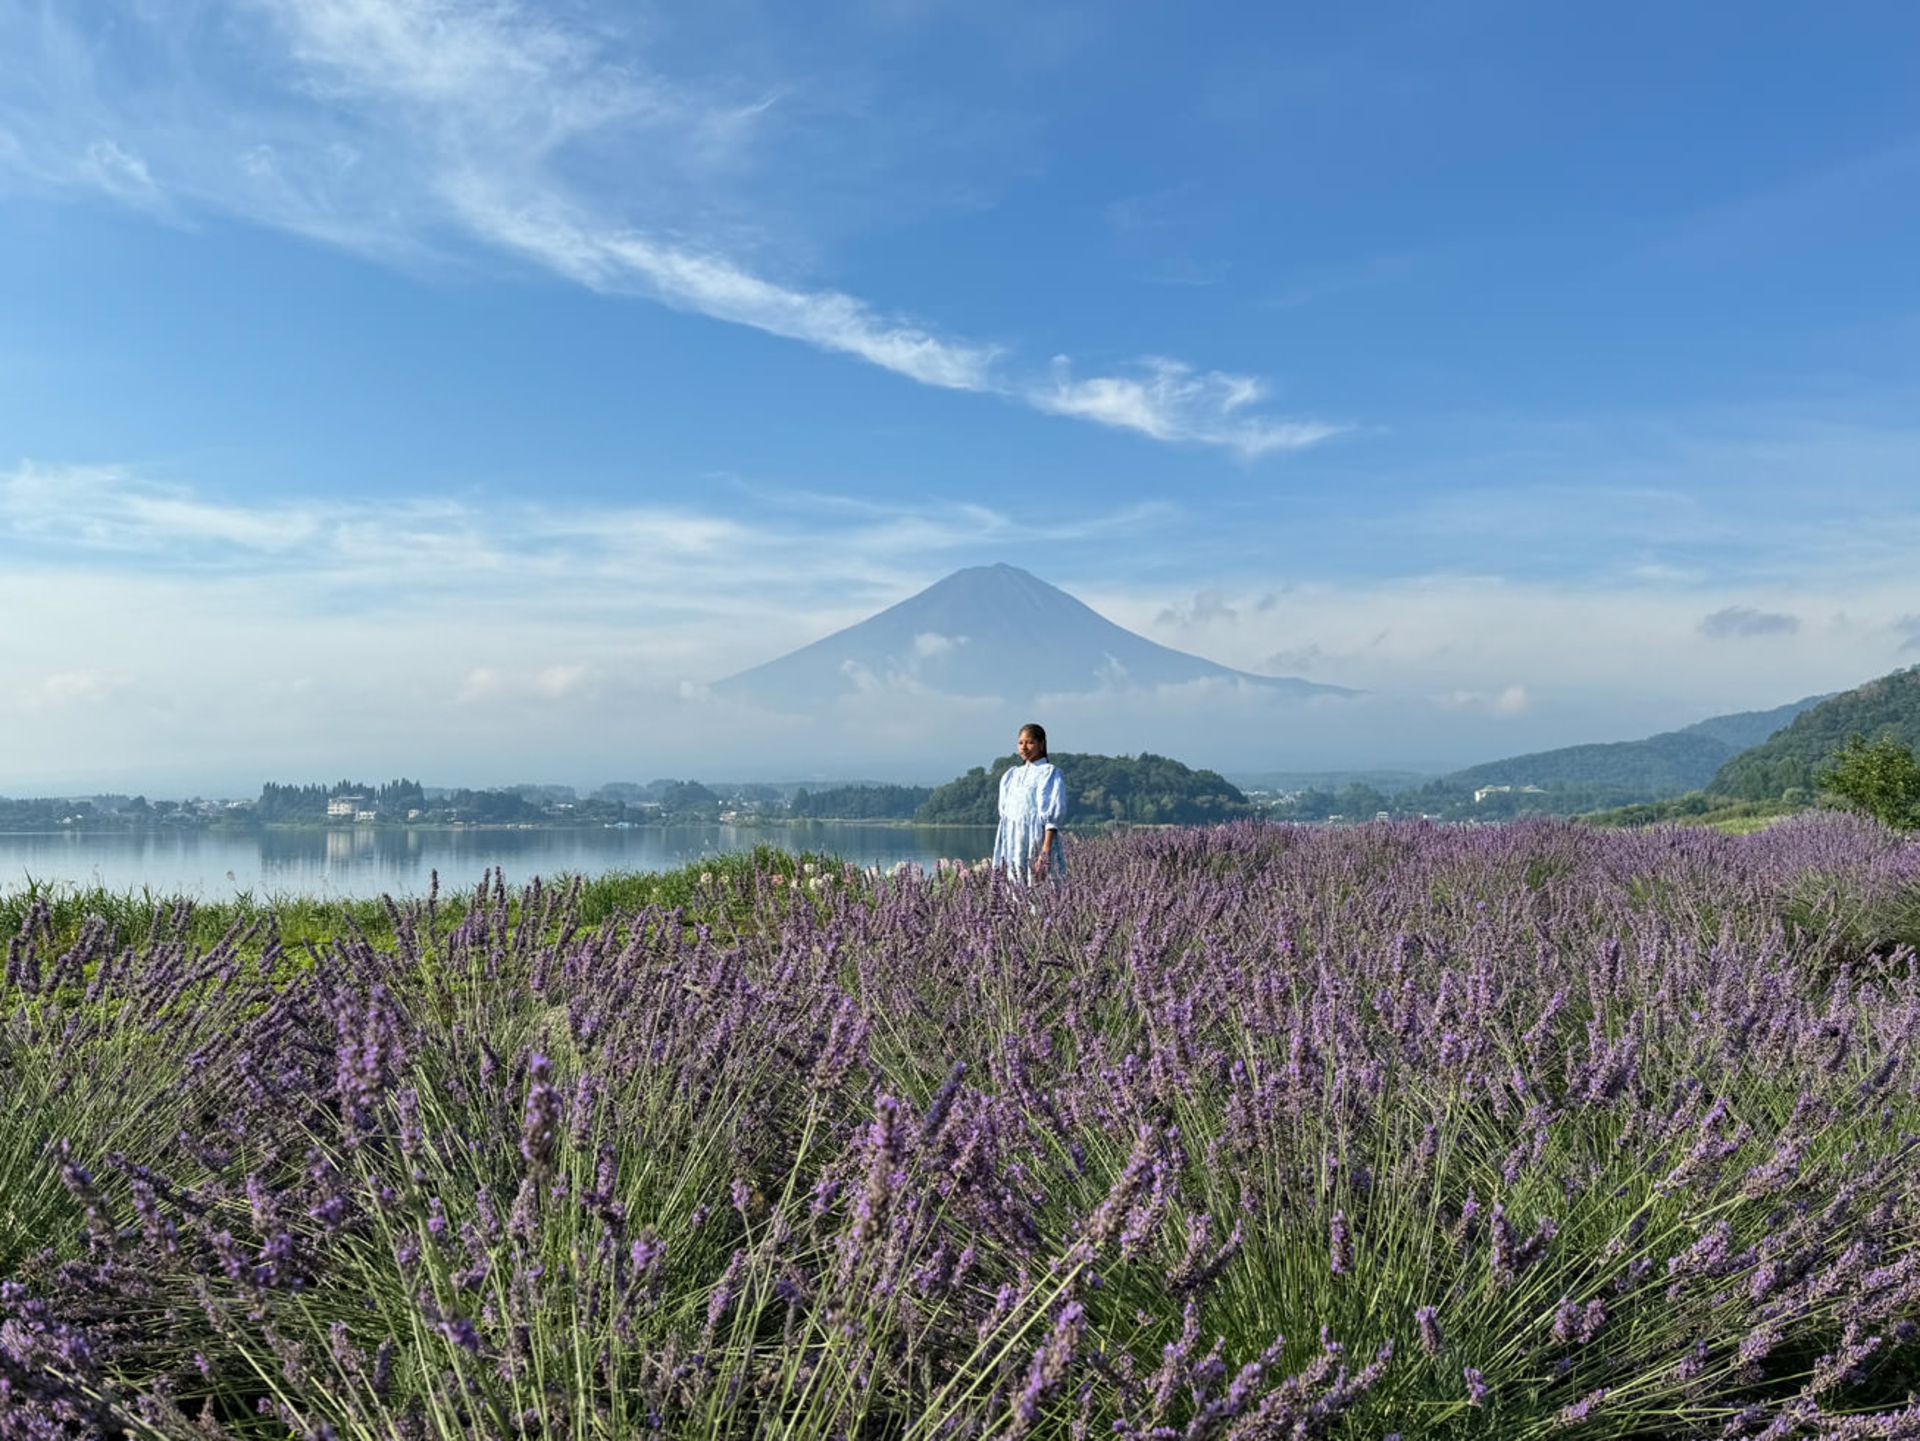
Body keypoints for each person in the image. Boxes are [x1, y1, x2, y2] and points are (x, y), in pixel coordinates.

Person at [993, 723, 1066, 882]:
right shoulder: (1012, 775)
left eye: (1030, 742)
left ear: (1041, 744)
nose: (1024, 747)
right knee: (1014, 893)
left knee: (1040, 893)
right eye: (1020, 743)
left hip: (1036, 841)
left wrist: (1044, 853)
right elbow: (1006, 819)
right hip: (1013, 845)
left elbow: (1051, 820)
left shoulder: (1048, 772)